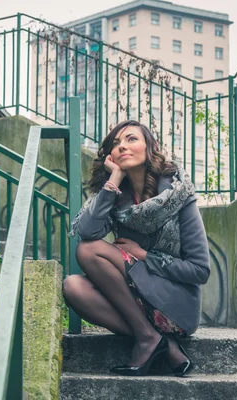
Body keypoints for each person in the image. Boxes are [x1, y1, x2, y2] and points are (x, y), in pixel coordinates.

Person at [64, 120, 210, 377]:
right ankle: (150, 337)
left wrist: (143, 255)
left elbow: (200, 271)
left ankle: (150, 339)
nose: (123, 147)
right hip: (137, 299)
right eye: (116, 143)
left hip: (174, 304)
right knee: (72, 287)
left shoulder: (178, 196)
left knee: (89, 252)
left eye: (131, 139)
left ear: (149, 147)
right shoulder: (118, 198)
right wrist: (114, 180)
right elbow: (86, 231)